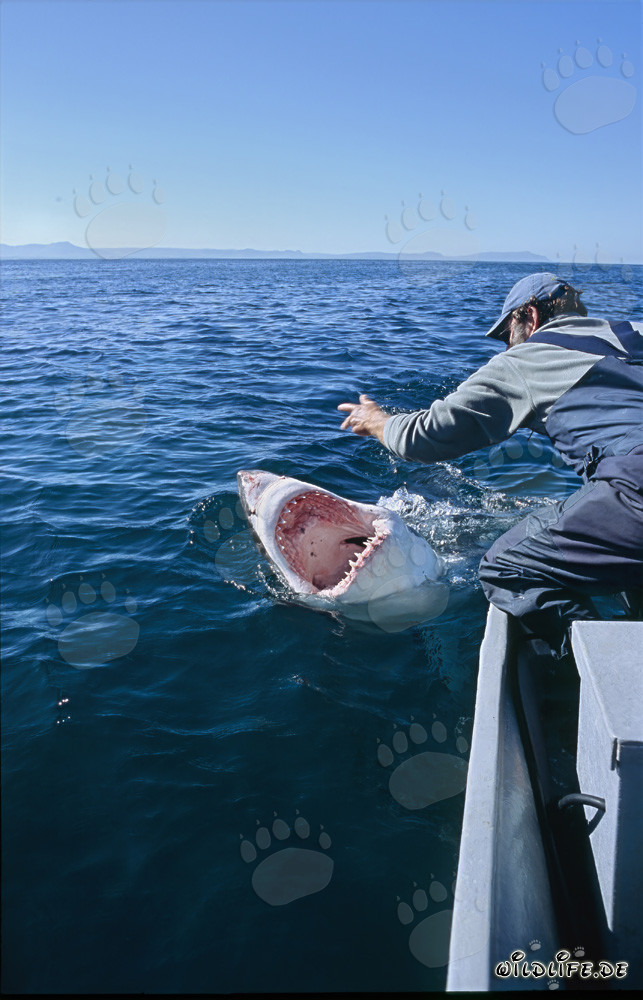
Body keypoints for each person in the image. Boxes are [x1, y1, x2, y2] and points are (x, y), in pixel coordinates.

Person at [338, 272, 643, 656]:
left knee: (507, 567)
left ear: (529, 317)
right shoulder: (634, 330)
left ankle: (597, 681)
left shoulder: (530, 356)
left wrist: (378, 421)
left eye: (506, 336)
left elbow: (429, 434)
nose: (505, 347)